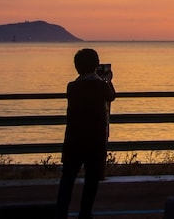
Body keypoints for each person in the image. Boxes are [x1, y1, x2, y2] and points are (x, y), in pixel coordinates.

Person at [56, 48, 116, 219]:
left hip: (73, 139)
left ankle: (61, 212)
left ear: (76, 67)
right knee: (91, 179)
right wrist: (108, 80)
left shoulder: (72, 87)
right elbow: (112, 96)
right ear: (96, 65)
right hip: (95, 140)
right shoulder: (101, 86)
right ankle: (85, 213)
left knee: (67, 177)